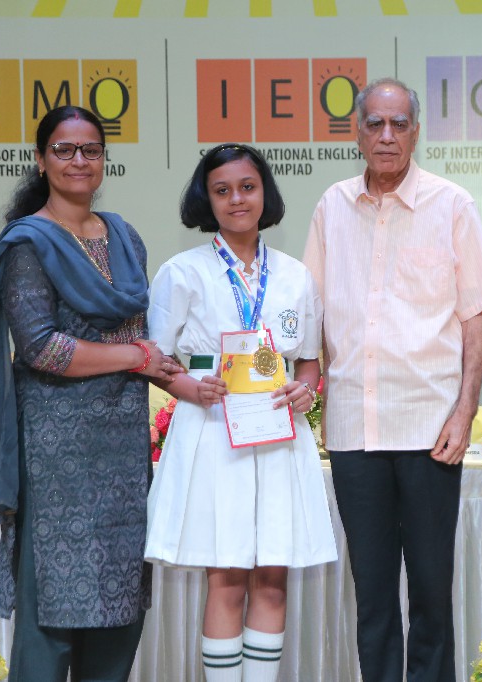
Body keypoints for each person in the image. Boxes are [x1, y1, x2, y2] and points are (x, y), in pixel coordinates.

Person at [0, 105, 181, 682]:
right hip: (56, 455)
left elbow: (141, 336)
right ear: (41, 160)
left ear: (104, 159)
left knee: (119, 607)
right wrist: (135, 358)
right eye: (63, 149)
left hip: (123, 450)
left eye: (91, 150)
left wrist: (190, 381)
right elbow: (41, 348)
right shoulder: (28, 243)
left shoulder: (124, 237)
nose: (78, 160)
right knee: (52, 614)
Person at [303, 78, 482, 682]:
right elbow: (312, 312)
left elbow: (475, 318)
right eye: (375, 124)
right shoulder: (332, 206)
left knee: (431, 594)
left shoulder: (452, 205)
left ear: (416, 133)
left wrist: (465, 412)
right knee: (371, 596)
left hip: (429, 429)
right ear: (357, 133)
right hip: (354, 431)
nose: (387, 135)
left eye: (399, 124)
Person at [144, 143, 337, 682]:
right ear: (206, 200)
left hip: (278, 430)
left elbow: (308, 361)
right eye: (222, 190)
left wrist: (306, 391)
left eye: (247, 187)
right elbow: (154, 360)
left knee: (272, 580)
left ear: (264, 194)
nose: (236, 200)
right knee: (226, 579)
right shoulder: (182, 272)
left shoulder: (296, 275)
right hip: (212, 429)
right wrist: (190, 388)